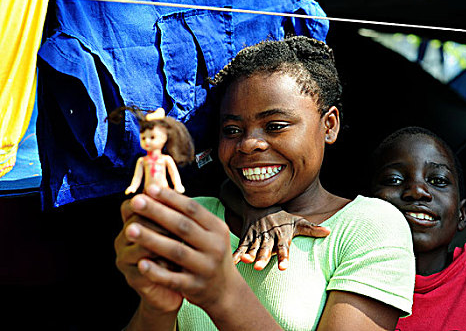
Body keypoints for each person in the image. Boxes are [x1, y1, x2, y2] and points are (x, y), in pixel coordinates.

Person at [114, 36, 415, 331]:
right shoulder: (194, 219)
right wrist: (157, 307)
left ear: (329, 125)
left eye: (275, 126)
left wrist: (223, 295)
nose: (248, 144)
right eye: (232, 130)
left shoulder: (368, 226)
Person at [369, 126, 466, 330]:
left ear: (462, 214)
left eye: (438, 181)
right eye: (394, 180)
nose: (417, 191)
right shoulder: (337, 276)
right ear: (366, 201)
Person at [108, 106, 195, 194]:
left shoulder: (166, 159)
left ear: (164, 137)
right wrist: (133, 187)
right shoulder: (142, 161)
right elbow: (137, 177)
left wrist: (178, 185)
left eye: (152, 137)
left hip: (164, 190)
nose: (147, 141)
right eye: (143, 138)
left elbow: (174, 174)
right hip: (147, 191)